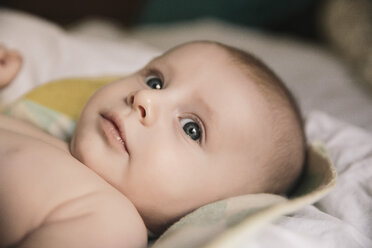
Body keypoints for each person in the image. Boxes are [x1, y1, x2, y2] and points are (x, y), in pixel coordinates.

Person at [0, 40, 306, 248]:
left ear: (210, 207)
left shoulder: (111, 223)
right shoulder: (40, 131)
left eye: (192, 129)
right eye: (155, 81)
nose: (146, 98)